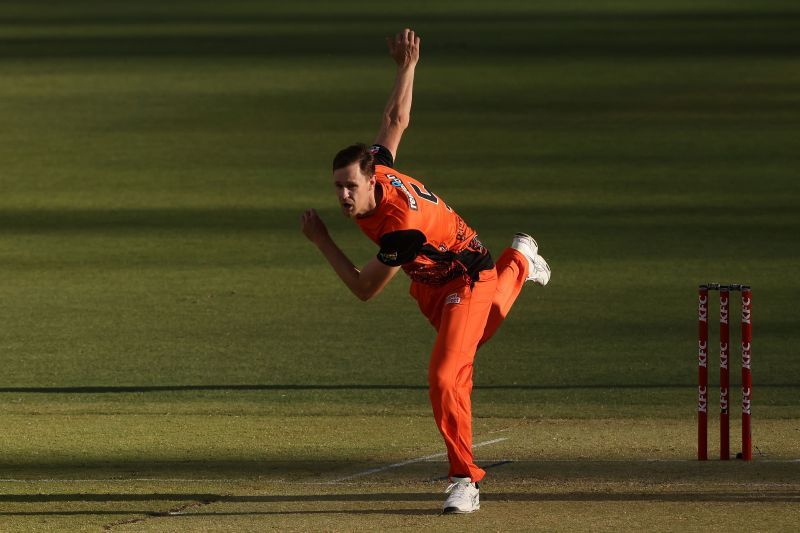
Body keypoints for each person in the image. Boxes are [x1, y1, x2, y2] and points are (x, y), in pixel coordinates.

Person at [300, 28, 550, 514]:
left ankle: (464, 480)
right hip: (433, 285)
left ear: (371, 177)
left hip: (465, 277)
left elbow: (364, 289)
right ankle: (519, 259)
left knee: (444, 377)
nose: (343, 197)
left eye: (350, 187)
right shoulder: (380, 169)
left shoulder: (400, 228)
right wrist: (406, 66)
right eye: (337, 188)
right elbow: (395, 119)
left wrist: (322, 240)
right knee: (466, 357)